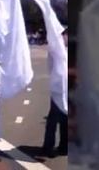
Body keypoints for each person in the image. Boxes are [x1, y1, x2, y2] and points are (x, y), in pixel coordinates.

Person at [40, 26, 68, 157]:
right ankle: (48, 147)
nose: (66, 38)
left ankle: (64, 146)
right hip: (58, 91)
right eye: (64, 35)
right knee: (53, 120)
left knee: (65, 120)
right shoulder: (56, 51)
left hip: (69, 90)